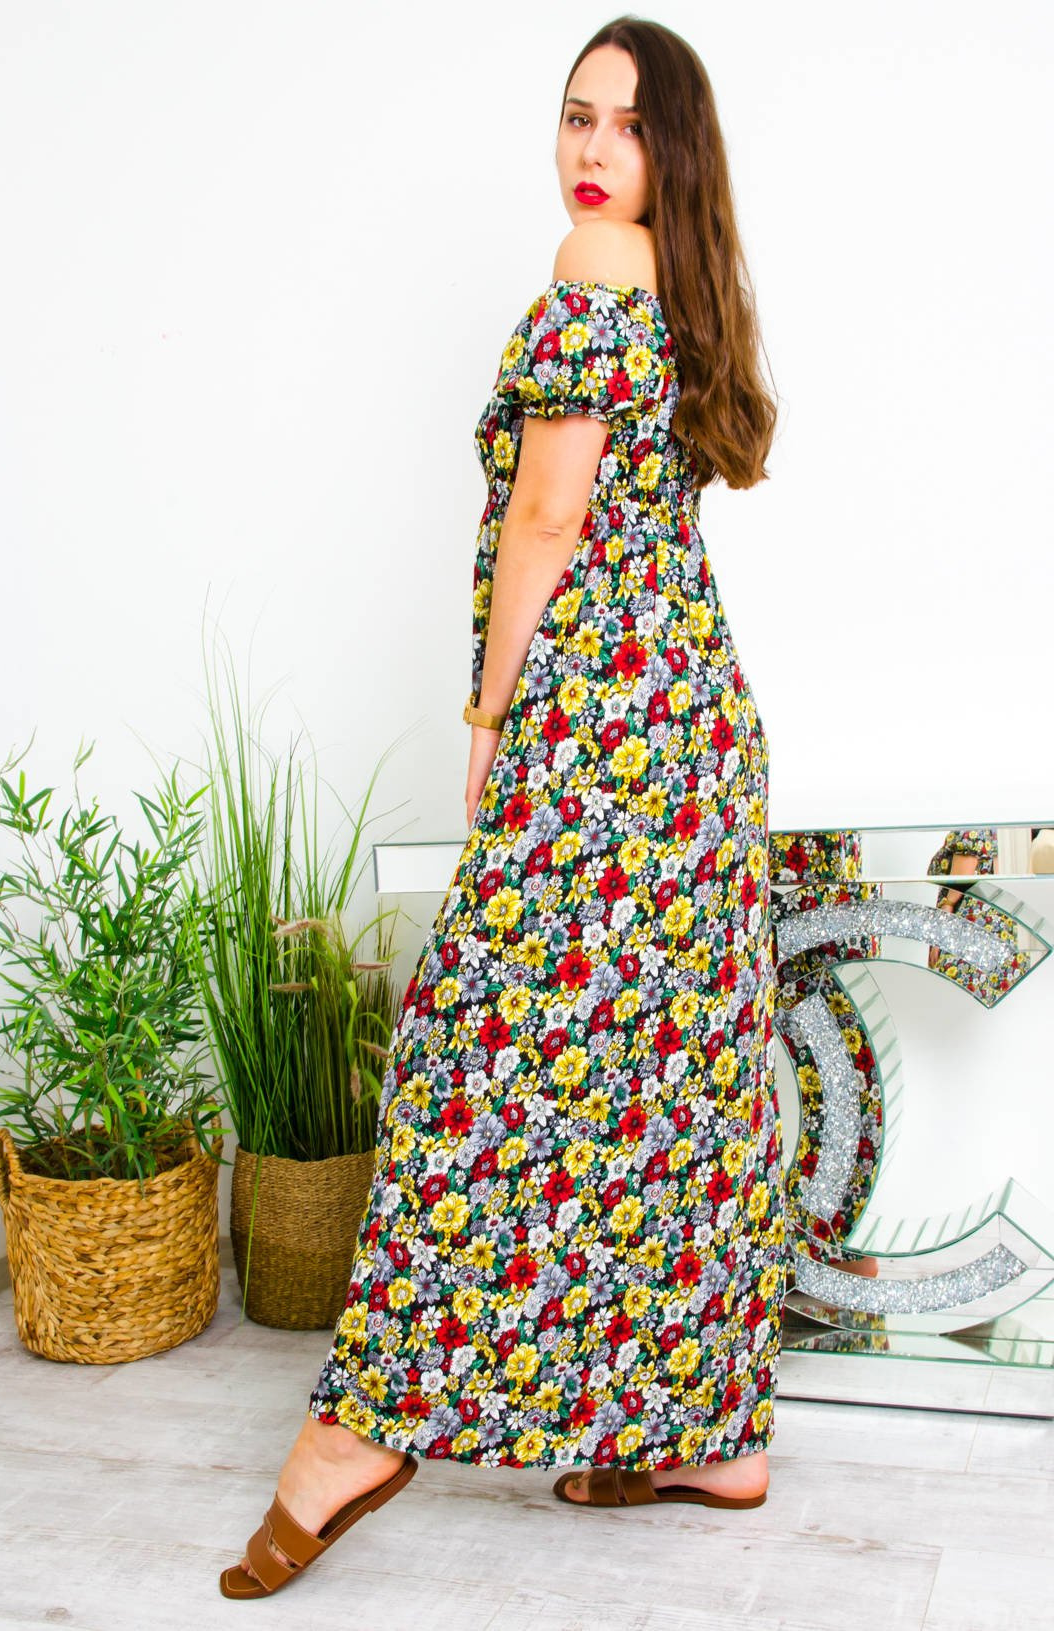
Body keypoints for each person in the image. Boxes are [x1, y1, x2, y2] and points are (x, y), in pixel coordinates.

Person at [221, 14, 788, 1599]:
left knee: (480, 1059)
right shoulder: (686, 284)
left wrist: (490, 720)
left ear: (675, 150)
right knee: (669, 1086)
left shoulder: (595, 267)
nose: (590, 151)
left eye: (627, 125)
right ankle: (710, 1436)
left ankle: (357, 1432)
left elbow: (546, 515)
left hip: (600, 734)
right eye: (574, 116)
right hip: (693, 732)